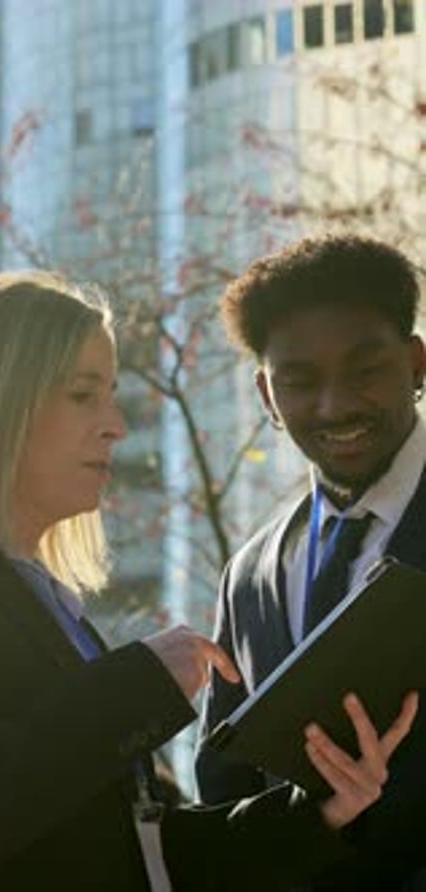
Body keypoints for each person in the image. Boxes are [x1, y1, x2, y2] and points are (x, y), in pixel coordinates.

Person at [0, 270, 416, 892]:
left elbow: (137, 853)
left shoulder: (45, 605)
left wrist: (315, 812)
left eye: (111, 395)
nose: (116, 425)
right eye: (83, 394)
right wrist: (133, 688)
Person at [195, 234, 426, 889]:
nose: (336, 405)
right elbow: (225, 791)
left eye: (365, 370)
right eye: (300, 382)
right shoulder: (248, 577)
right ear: (268, 396)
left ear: (416, 364)